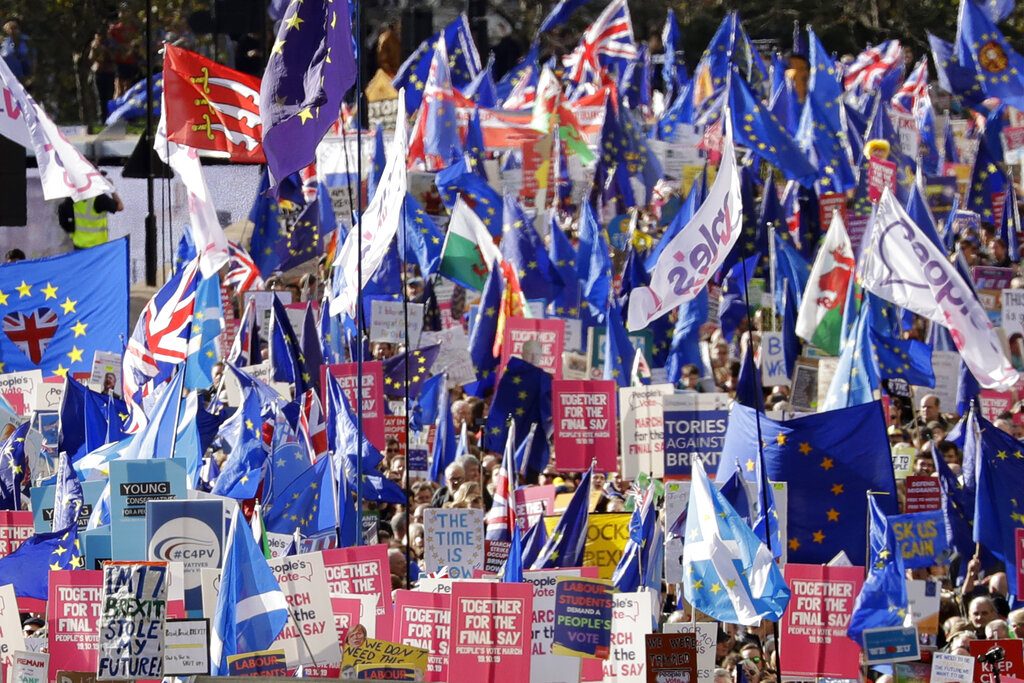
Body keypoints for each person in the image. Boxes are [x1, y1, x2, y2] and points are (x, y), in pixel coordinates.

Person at [58, 180, 124, 249]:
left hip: (79, 244)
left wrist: (70, 230)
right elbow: (120, 207)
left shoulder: (73, 197)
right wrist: (112, 189)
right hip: (98, 245)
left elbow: (62, 214)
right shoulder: (100, 198)